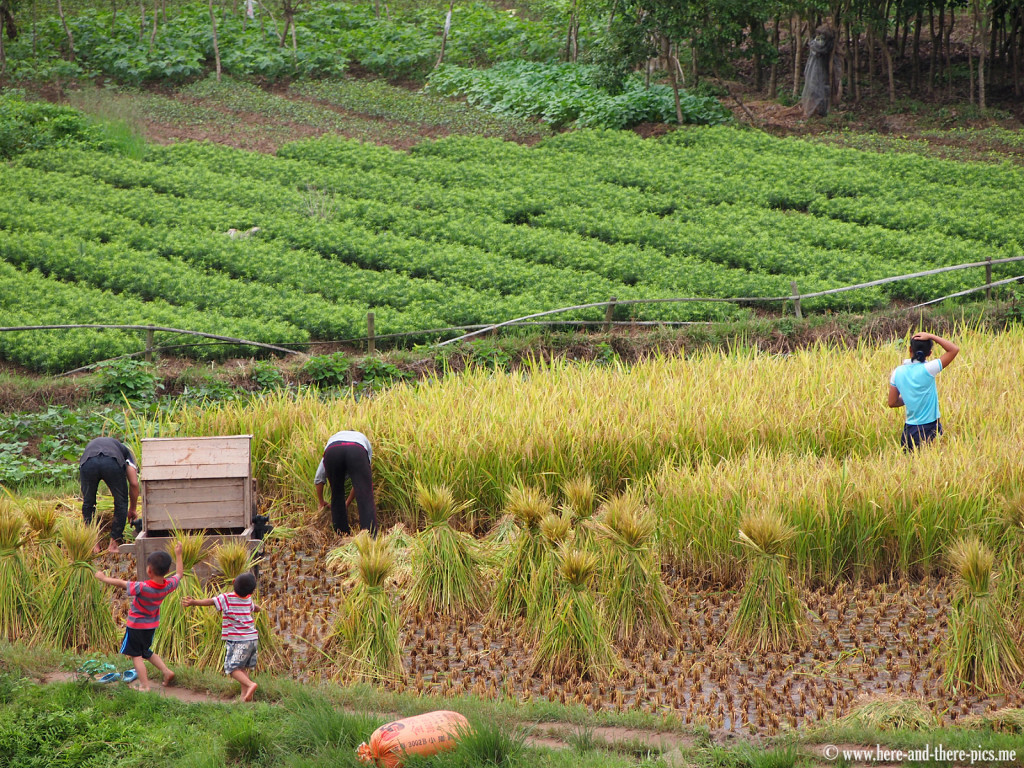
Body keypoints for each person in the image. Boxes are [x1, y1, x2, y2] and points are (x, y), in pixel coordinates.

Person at [95, 542, 183, 692]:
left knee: (136, 656)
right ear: (167, 570)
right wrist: (179, 555)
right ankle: (167, 671)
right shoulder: (168, 585)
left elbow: (122, 583)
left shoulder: (143, 587)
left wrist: (103, 578)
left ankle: (144, 685)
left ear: (149, 571)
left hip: (136, 626)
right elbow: (179, 574)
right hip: (151, 626)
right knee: (146, 651)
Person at [182, 572, 261, 702]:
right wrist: (260, 609)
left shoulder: (227, 598)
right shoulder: (248, 599)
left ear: (233, 581)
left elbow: (211, 601)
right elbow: (255, 608)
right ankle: (244, 696)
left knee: (232, 668)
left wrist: (194, 602)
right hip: (252, 639)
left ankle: (250, 684)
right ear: (251, 592)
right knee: (241, 668)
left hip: (238, 641)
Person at [888, 331, 959, 451]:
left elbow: (892, 402)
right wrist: (932, 336)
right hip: (930, 428)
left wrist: (909, 397)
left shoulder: (897, 372)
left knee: (909, 467)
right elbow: (954, 350)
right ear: (930, 353)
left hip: (909, 431)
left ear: (910, 349)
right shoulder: (930, 368)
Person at [79, 437, 139, 554]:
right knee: (121, 502)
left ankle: (93, 544)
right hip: (111, 461)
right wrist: (132, 509)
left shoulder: (95, 445)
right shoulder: (127, 453)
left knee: (88, 503)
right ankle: (114, 544)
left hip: (88, 461)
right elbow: (134, 483)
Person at [314, 430, 378, 536]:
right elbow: (360, 484)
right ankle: (369, 537)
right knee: (365, 496)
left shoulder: (333, 439)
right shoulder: (362, 439)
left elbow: (318, 478)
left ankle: (342, 535)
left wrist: (321, 502)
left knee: (336, 493)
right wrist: (347, 502)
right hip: (356, 449)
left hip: (333, 451)